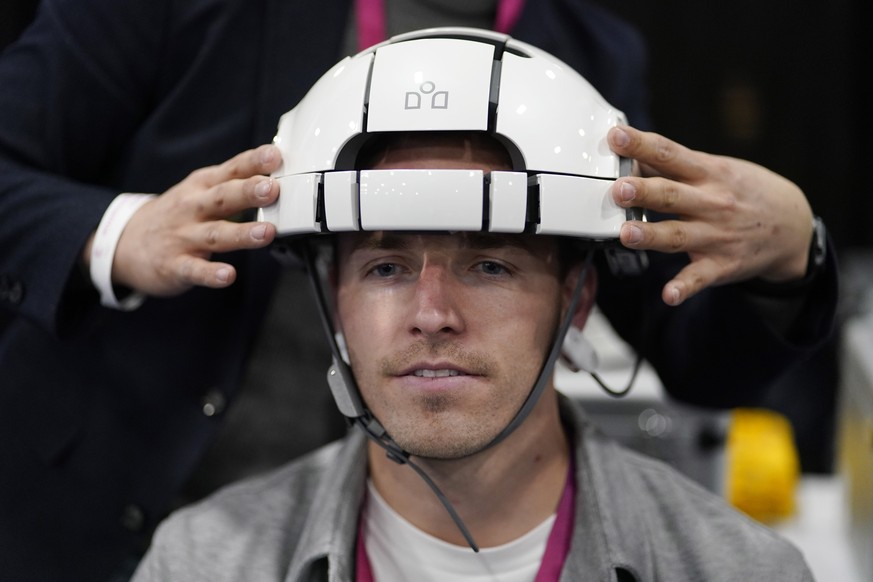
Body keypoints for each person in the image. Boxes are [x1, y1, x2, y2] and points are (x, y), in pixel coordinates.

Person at [0, 1, 836, 581]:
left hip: (435, 499)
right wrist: (114, 233)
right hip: (123, 509)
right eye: (387, 264)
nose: (434, 311)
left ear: (574, 293)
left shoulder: (590, 47)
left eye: (490, 263)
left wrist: (791, 254)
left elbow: (675, 322)